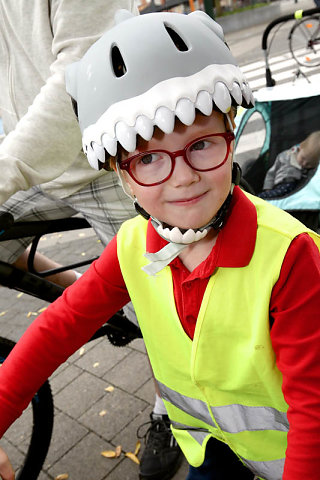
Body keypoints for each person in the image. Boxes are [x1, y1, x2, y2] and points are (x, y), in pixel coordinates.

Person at [0, 8, 319, 480]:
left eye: (202, 144)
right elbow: (58, 327)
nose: (183, 178)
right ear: (119, 172)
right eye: (148, 157)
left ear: (231, 135)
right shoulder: (132, 246)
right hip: (211, 444)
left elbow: (313, 410)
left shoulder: (288, 257)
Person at [0, 2, 180, 478]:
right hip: (33, 160)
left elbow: (83, 65)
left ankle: (173, 410)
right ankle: (96, 291)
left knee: (165, 305)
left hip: (106, 154)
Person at [259, 131, 320, 199]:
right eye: (303, 158)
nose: (304, 164)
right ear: (300, 147)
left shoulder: (311, 171)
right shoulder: (285, 156)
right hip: (278, 186)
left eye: (309, 164)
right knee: (268, 195)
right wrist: (267, 188)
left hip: (294, 193)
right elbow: (271, 173)